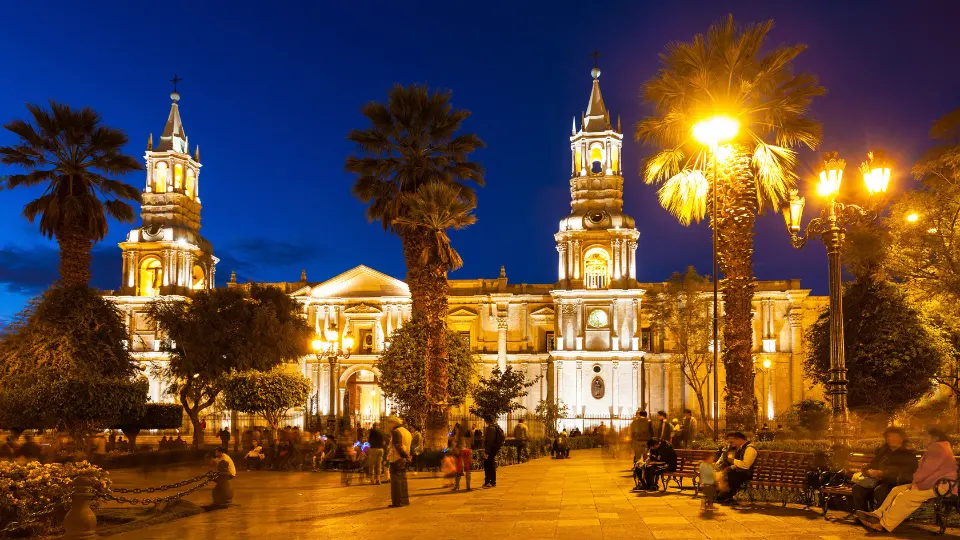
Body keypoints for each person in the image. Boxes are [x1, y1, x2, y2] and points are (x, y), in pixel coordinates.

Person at [857, 426, 958, 532]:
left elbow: (926, 471)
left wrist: (915, 482)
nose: (922, 439)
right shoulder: (940, 447)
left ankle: (883, 524)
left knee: (903, 497)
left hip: (940, 486)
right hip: (933, 483)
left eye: (926, 437)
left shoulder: (937, 448)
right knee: (896, 490)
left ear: (935, 438)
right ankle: (877, 514)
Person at [851, 426, 918, 512]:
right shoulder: (883, 452)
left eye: (893, 436)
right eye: (888, 436)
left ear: (901, 439)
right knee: (857, 488)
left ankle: (883, 516)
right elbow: (873, 464)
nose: (890, 439)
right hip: (876, 481)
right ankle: (862, 514)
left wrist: (883, 473)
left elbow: (905, 472)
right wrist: (867, 470)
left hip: (894, 483)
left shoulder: (907, 455)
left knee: (880, 490)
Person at [714, 431, 758, 505]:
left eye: (734, 441)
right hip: (741, 471)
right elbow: (740, 463)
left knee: (732, 475)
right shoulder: (741, 448)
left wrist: (732, 461)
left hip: (747, 473)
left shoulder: (750, 449)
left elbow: (746, 465)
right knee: (726, 473)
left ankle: (727, 496)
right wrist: (730, 467)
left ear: (739, 439)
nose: (734, 444)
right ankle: (722, 495)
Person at [385, 416, 412, 507]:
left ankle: (397, 502)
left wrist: (405, 455)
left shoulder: (396, 432)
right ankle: (404, 500)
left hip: (396, 458)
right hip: (403, 459)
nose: (387, 425)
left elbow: (397, 445)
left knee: (395, 481)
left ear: (393, 423)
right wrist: (407, 456)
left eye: (388, 423)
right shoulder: (407, 432)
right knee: (403, 480)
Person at [482, 415, 505, 488]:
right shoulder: (496, 426)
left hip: (490, 450)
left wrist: (487, 451)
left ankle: (489, 482)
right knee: (491, 464)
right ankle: (492, 481)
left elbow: (490, 441)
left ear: (487, 420)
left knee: (488, 465)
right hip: (493, 449)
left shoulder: (491, 428)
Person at [454, 424, 473, 491]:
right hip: (467, 451)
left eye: (455, 428)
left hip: (460, 451)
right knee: (467, 469)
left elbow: (455, 445)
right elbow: (470, 443)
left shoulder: (458, 435)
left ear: (457, 428)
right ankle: (468, 486)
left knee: (458, 469)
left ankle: (457, 486)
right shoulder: (468, 433)